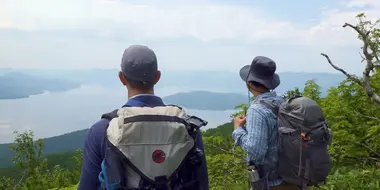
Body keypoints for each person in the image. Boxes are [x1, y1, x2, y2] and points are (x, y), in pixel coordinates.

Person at [78, 45, 209, 190]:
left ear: (122, 78)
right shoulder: (187, 127)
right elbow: (201, 184)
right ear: (157, 77)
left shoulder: (102, 130)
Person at [232, 56, 300, 190]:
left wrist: (238, 129)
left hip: (273, 184)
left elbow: (256, 152)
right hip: (293, 178)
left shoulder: (257, 109)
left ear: (249, 83)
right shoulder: (282, 102)